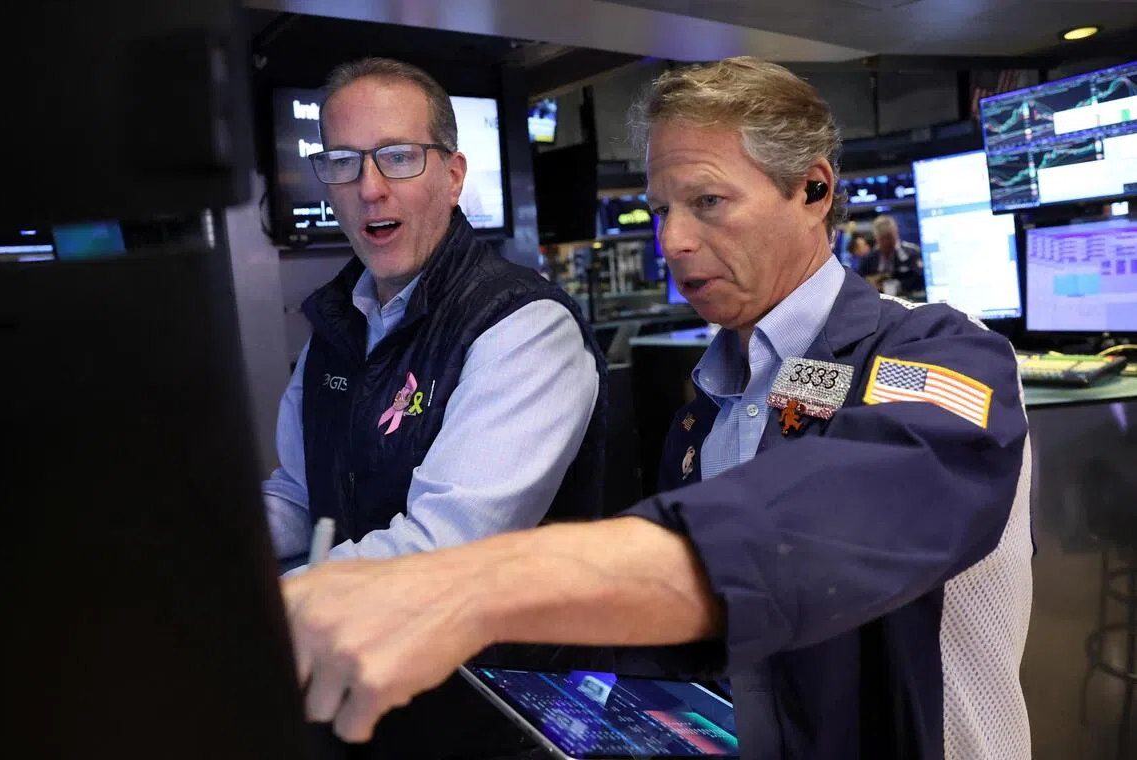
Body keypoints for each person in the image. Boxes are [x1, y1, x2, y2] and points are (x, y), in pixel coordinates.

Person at [283, 57, 1033, 760]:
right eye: (660, 209)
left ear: (814, 189)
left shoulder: (939, 355)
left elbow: (846, 515)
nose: (672, 241)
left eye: (708, 202)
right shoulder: (708, 409)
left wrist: (474, 589)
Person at [262, 56, 606, 757]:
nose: (369, 188)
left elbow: (440, 548)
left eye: (398, 158)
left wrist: (254, 609)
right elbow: (301, 499)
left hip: (494, 714)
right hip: (368, 699)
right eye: (344, 162)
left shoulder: (521, 324)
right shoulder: (336, 323)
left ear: (453, 177)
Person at [856, 215, 924, 296]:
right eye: (883, 239)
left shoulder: (912, 253)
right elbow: (858, 282)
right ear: (876, 238)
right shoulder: (868, 259)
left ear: (896, 233)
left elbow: (921, 279)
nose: (887, 242)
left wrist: (899, 285)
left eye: (889, 237)